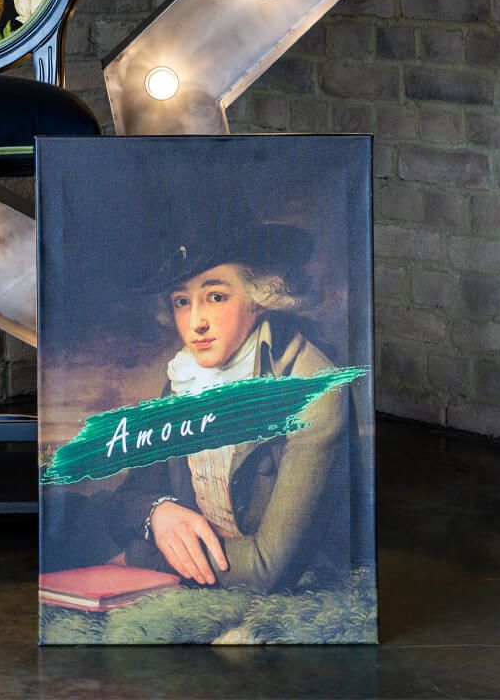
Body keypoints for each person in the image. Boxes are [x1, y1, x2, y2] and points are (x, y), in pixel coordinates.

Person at [109, 223, 355, 594]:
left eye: (216, 297)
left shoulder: (315, 389)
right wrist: (158, 513)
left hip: (304, 592)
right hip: (210, 584)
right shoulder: (185, 379)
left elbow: (267, 570)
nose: (196, 322)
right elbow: (127, 499)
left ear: (261, 296)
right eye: (182, 301)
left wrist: (139, 556)